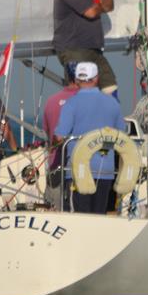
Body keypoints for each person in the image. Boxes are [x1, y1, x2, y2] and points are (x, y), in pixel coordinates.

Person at [54, 62, 125, 214]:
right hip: (105, 172)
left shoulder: (70, 105)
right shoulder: (113, 104)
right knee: (99, 218)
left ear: (77, 80)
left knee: (79, 220)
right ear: (96, 78)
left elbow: (59, 137)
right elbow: (122, 136)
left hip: (78, 172)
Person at [53, 0, 118, 96]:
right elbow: (91, 12)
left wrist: (98, 5)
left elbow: (110, 2)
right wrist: (99, 4)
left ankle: (110, 118)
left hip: (93, 49)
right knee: (82, 94)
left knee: (110, 87)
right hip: (74, 49)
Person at [42, 62, 79, 208]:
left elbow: (48, 135)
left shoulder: (51, 101)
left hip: (55, 168)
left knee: (55, 215)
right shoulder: (88, 102)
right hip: (80, 169)